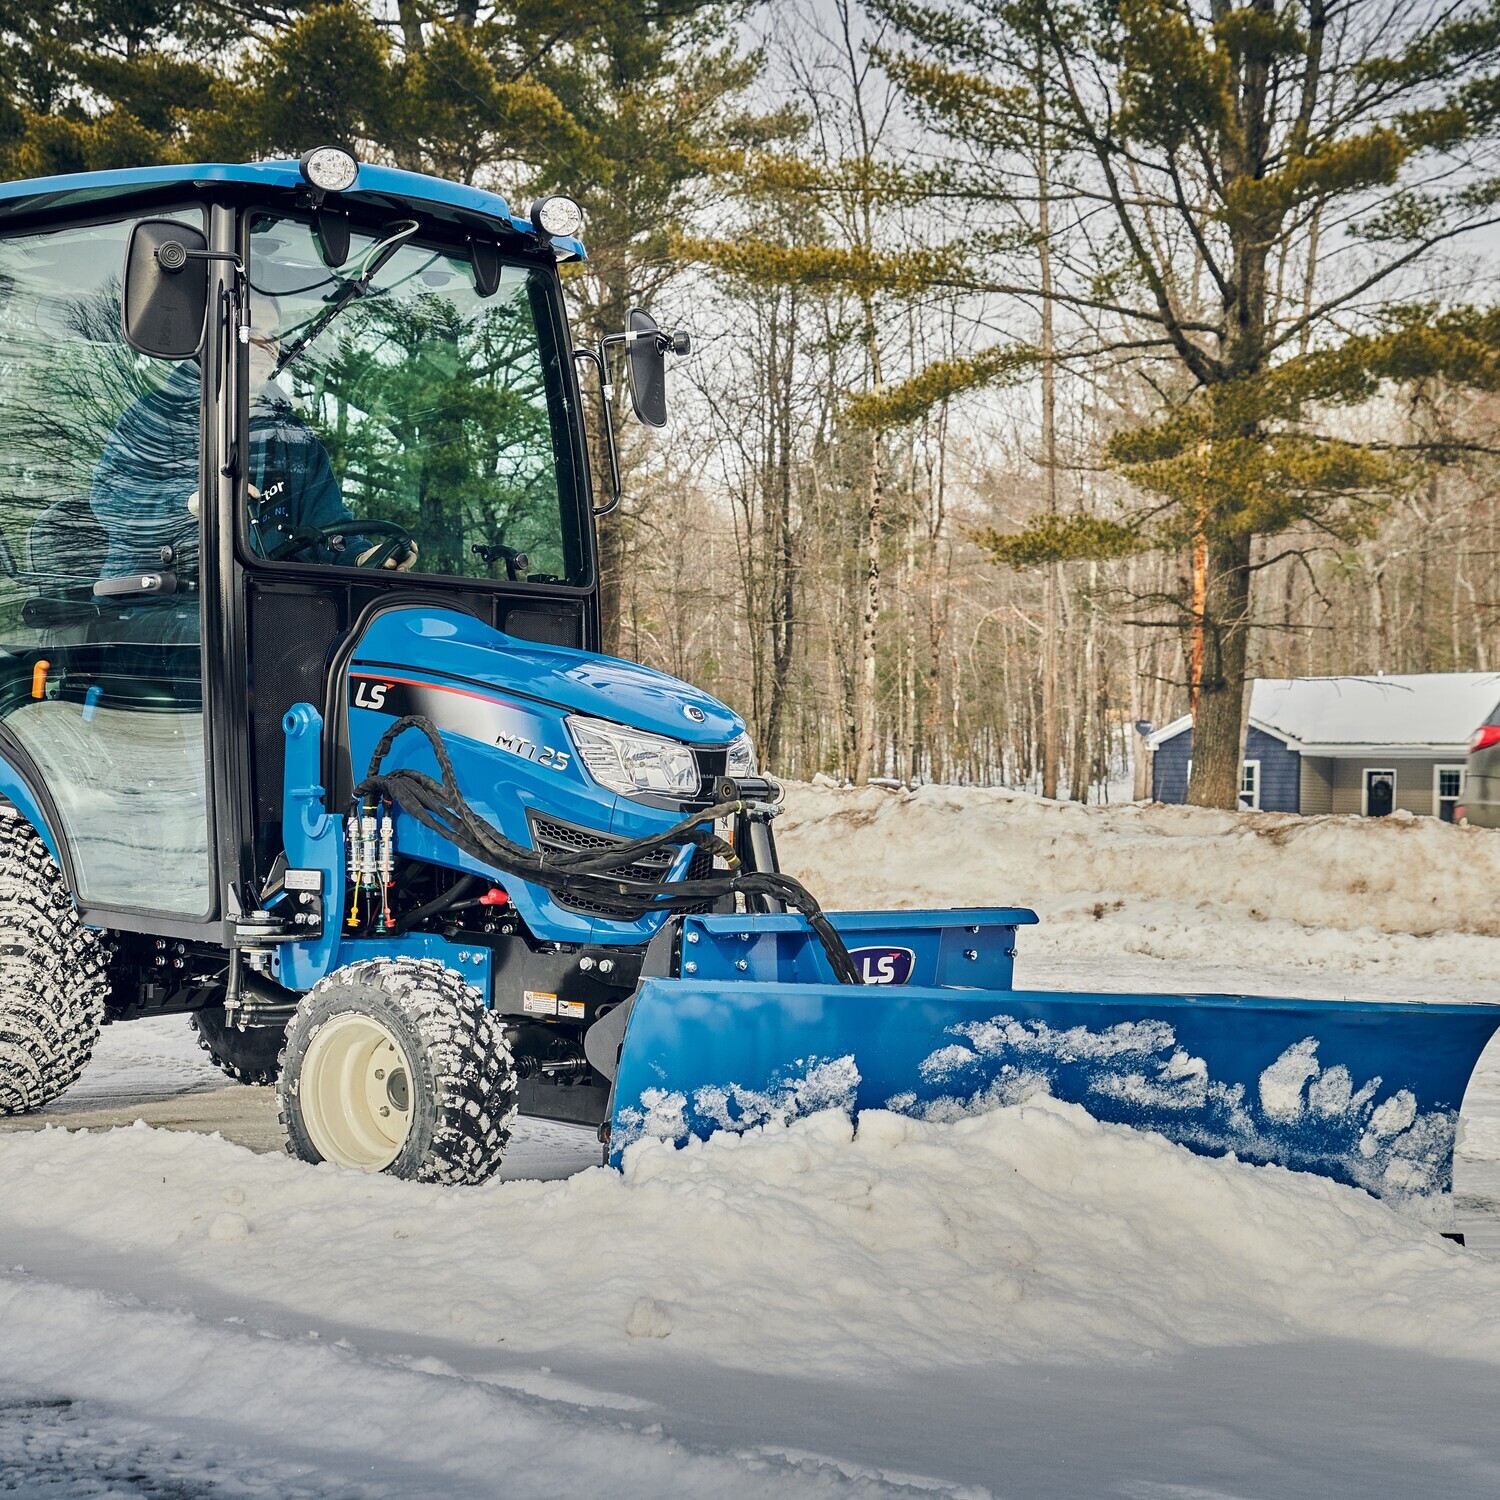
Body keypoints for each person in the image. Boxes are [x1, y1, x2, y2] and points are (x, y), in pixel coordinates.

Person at [88, 290, 416, 587]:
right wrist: (191, 504)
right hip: (155, 602)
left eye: (273, 335)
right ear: (214, 340)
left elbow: (325, 526)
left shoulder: (295, 441)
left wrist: (361, 557)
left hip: (261, 602)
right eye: (251, 332)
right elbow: (111, 500)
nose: (267, 345)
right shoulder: (157, 417)